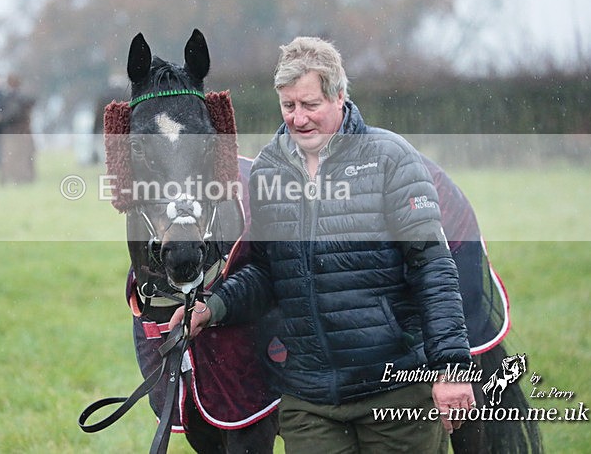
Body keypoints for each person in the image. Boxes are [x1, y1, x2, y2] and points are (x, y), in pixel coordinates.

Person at [172, 36, 474, 452]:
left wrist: (452, 369)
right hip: (309, 401)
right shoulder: (268, 171)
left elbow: (433, 269)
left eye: (310, 104)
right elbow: (266, 271)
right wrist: (213, 308)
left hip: (397, 394)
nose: (298, 119)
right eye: (288, 106)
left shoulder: (390, 158)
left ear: (339, 96)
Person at [0, 74, 36, 184]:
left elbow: (11, 115)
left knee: (15, 158)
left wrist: (0, 118)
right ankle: (25, 179)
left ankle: (18, 180)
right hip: (24, 133)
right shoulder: (24, 98)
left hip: (14, 134)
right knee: (25, 158)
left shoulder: (11, 99)